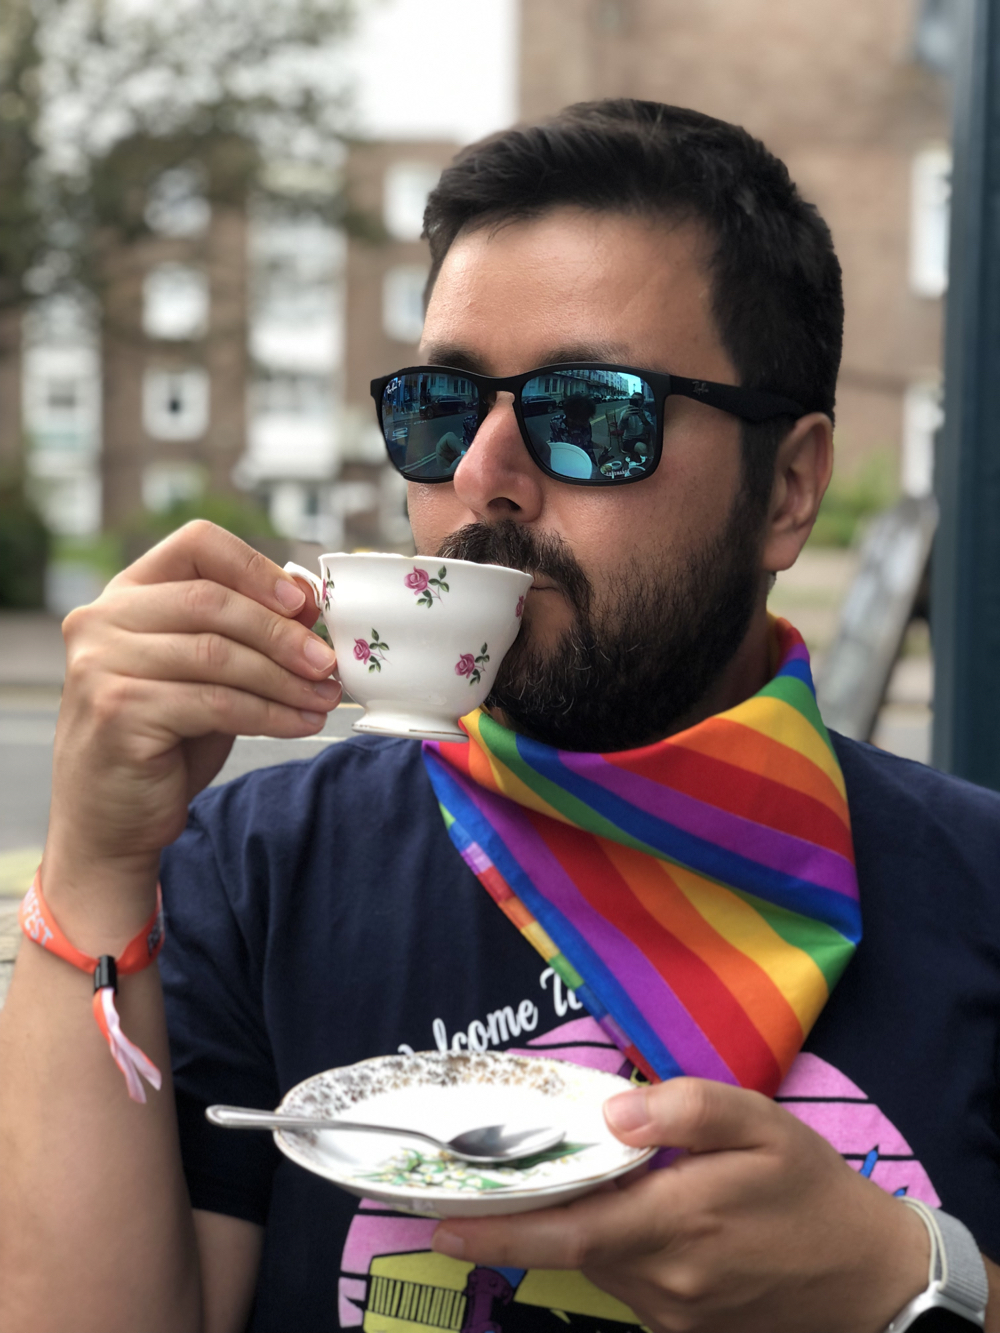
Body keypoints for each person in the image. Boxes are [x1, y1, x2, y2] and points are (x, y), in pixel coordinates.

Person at [2, 99, 999, 1333]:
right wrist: (96, 860)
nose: (481, 473)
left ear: (788, 488)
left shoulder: (977, 889)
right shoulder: (251, 871)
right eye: (440, 407)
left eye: (590, 414)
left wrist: (911, 1283)